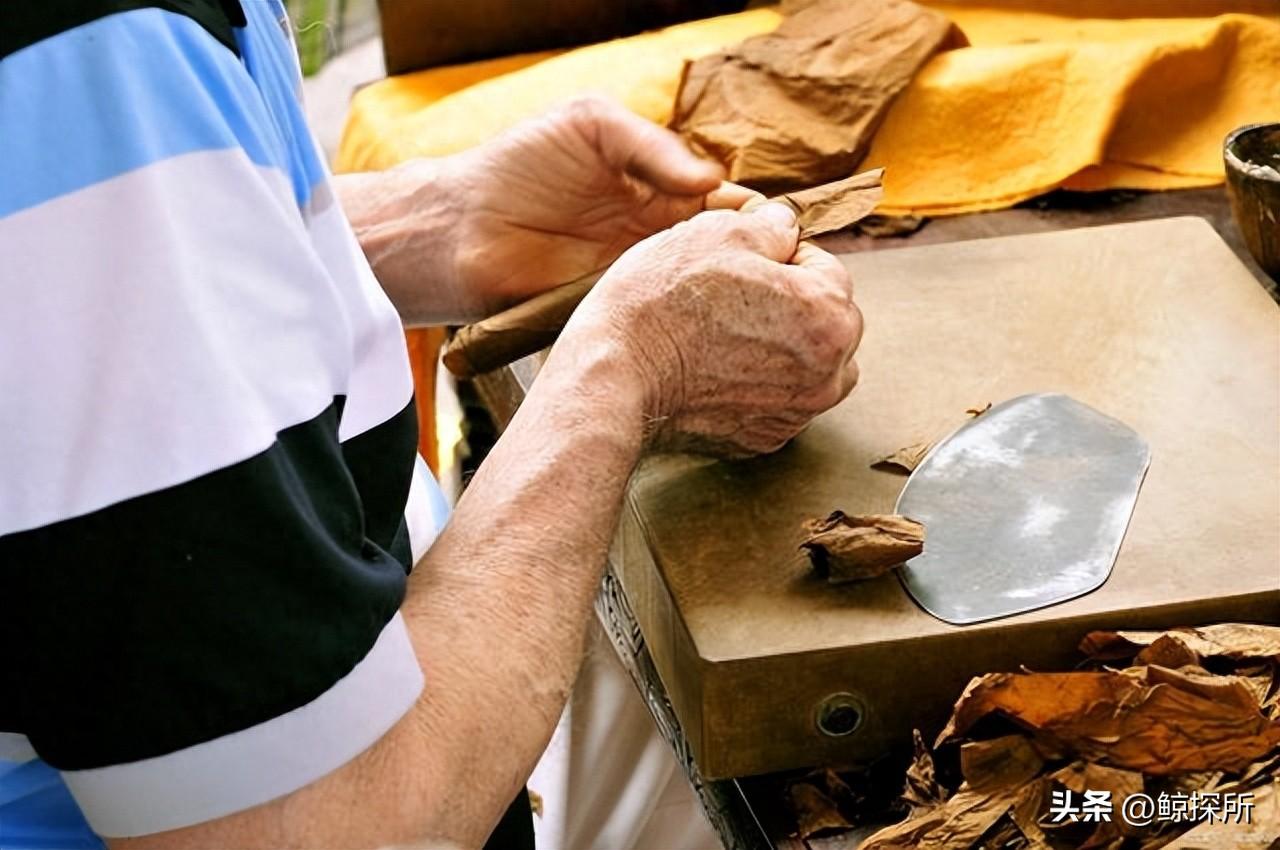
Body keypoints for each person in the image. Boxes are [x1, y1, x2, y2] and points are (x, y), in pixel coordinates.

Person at [0, 1, 862, 848]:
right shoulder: (90, 41)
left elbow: (75, 281)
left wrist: (440, 221)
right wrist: (631, 365)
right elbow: (320, 830)